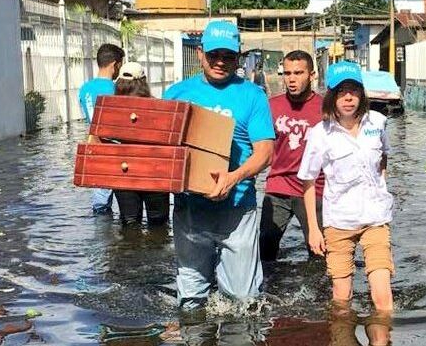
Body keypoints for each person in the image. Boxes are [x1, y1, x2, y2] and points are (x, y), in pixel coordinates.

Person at [163, 20, 275, 309]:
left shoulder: (253, 95)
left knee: (242, 301)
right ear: (200, 53)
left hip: (237, 209)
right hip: (190, 209)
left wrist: (234, 177)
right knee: (190, 298)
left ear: (237, 58)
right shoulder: (175, 94)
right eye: (214, 55)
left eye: (228, 56)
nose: (221, 62)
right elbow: (162, 149)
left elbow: (264, 152)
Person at [298, 62, 394, 311]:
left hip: (375, 218)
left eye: (353, 90)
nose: (348, 97)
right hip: (338, 222)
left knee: (382, 296)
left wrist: (380, 186)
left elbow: (384, 156)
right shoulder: (321, 133)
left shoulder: (378, 123)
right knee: (342, 297)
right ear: (331, 96)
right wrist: (313, 229)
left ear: (362, 93)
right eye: (341, 91)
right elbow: (308, 181)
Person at [260, 50, 324, 262]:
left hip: (314, 188)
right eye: (287, 73)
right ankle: (269, 291)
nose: (292, 79)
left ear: (312, 75)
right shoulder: (272, 106)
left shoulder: (326, 109)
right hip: (278, 185)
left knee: (319, 253)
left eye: (298, 73)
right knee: (265, 246)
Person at [112, 62, 170, 227]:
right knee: (159, 225)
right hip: (155, 171)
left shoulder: (110, 109)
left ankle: (129, 252)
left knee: (129, 224)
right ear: (144, 81)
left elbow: (97, 140)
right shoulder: (159, 107)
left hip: (123, 171)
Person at [78, 43, 124, 215]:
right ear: (115, 65)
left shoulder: (84, 89)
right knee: (126, 205)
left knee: (100, 204)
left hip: (95, 148)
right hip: (115, 149)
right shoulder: (116, 90)